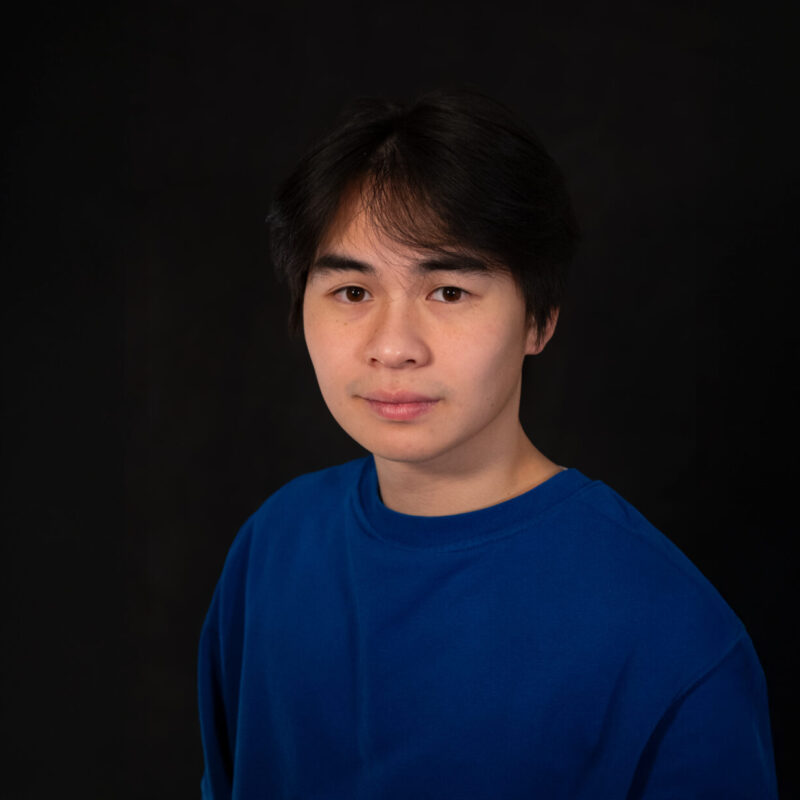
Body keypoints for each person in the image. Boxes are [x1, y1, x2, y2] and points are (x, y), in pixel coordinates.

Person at [197, 88, 778, 799]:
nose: (393, 347)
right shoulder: (273, 546)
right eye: (352, 292)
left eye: (448, 291)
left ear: (540, 319)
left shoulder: (672, 634)